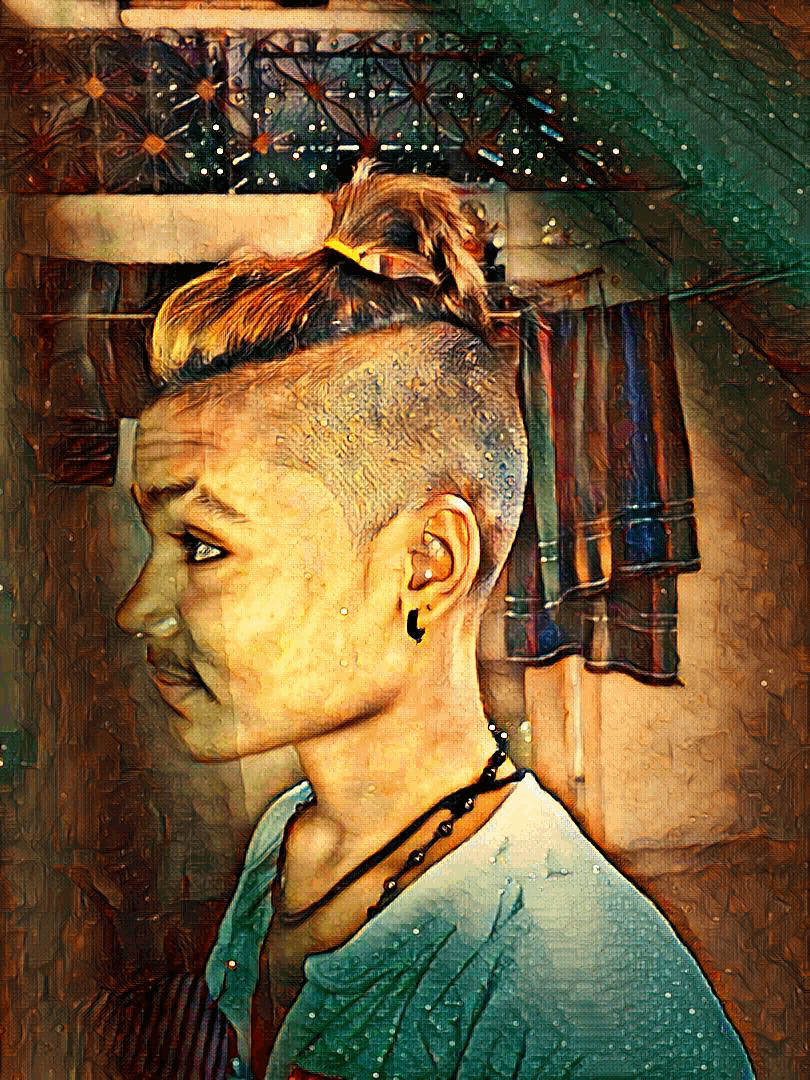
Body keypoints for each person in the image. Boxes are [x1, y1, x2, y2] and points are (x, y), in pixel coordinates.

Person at [110, 165, 754, 1080]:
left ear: (426, 566)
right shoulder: (292, 839)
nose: (138, 609)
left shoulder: (587, 991)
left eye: (203, 545)